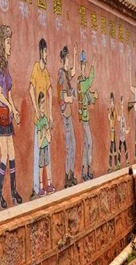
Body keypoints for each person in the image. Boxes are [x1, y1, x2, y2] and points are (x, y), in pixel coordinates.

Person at [0, 25, 22, 209]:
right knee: (5, 155)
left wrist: (15, 109)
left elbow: (9, 93)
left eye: (10, 42)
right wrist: (10, 107)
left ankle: (12, 191)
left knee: (11, 154)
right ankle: (0, 192)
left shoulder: (7, 66)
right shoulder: (1, 66)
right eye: (8, 42)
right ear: (2, 44)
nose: (10, 45)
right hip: (3, 116)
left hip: (9, 115)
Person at [29, 39, 52, 199]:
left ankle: (47, 184)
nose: (47, 55)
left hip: (45, 118)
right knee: (38, 154)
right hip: (38, 119)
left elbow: (50, 91)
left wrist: (50, 113)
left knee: (46, 154)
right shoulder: (36, 68)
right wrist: (37, 110)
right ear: (40, 52)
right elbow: (31, 89)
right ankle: (37, 187)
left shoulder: (46, 72)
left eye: (47, 52)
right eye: (45, 52)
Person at [58, 44, 78, 188]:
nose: (69, 61)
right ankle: (67, 177)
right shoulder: (62, 76)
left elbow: (73, 72)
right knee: (70, 147)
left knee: (73, 145)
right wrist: (72, 98)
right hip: (65, 114)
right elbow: (64, 97)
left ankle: (70, 174)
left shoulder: (65, 73)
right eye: (69, 58)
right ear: (64, 59)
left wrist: (75, 55)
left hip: (68, 114)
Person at [77, 51, 98, 181]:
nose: (84, 69)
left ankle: (85, 172)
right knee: (90, 143)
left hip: (86, 119)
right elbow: (89, 82)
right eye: (83, 67)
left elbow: (90, 98)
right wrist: (93, 66)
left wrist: (94, 96)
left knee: (86, 145)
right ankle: (88, 169)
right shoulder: (81, 82)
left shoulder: (83, 83)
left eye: (85, 66)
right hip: (84, 120)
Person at [36, 92, 54, 195]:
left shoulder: (46, 120)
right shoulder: (39, 122)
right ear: (38, 106)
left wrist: (46, 132)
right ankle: (41, 187)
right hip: (41, 149)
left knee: (47, 165)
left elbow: (49, 139)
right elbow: (39, 143)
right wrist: (43, 133)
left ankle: (49, 184)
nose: (43, 105)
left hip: (46, 146)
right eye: (41, 103)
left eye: (44, 103)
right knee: (41, 167)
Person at [117, 95, 130, 168]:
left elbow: (124, 125)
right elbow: (118, 119)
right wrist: (119, 112)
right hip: (120, 134)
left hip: (123, 134)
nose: (122, 108)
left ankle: (127, 161)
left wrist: (127, 130)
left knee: (125, 148)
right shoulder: (121, 116)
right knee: (120, 148)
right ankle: (119, 163)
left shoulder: (124, 117)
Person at [107, 92, 118, 172]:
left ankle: (116, 164)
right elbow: (109, 120)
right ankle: (110, 166)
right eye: (110, 102)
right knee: (111, 149)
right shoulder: (110, 112)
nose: (111, 103)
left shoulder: (114, 112)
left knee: (114, 148)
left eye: (112, 102)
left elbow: (114, 120)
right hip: (111, 133)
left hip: (114, 132)